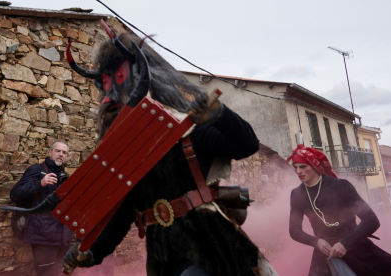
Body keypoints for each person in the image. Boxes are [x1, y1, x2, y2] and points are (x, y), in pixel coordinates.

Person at [60, 25, 278, 276]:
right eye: (105, 85)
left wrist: (220, 116)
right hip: (163, 257)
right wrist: (93, 251)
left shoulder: (187, 130)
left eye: (118, 79)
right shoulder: (126, 156)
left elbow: (246, 145)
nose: (108, 98)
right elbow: (125, 214)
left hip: (211, 248)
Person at [287, 144, 391, 276]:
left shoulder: (341, 186)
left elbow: (371, 220)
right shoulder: (296, 194)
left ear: (314, 165)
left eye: (303, 166)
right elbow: (294, 230)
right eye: (295, 167)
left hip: (357, 250)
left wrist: (345, 244)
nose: (298, 171)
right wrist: (316, 241)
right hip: (324, 256)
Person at [10, 140, 73, 276]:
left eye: (64, 152)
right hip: (42, 237)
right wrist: (40, 183)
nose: (61, 154)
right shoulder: (37, 170)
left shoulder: (63, 175)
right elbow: (15, 194)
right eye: (58, 151)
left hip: (63, 238)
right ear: (50, 152)